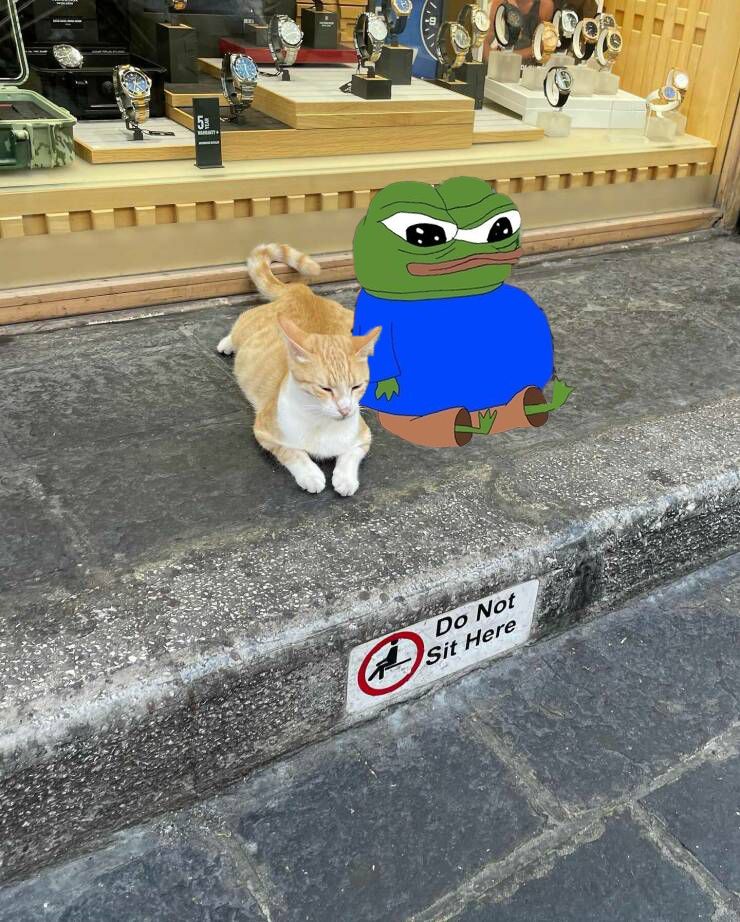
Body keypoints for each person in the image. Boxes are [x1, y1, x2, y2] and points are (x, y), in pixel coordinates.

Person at [483, 0, 556, 63]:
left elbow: (542, 46)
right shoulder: (499, 2)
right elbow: (488, 35)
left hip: (529, 66)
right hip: (504, 61)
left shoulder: (545, 5)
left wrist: (509, 57)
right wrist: (489, 55)